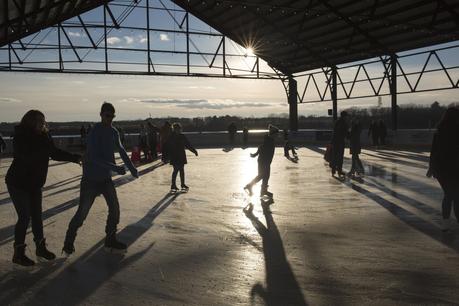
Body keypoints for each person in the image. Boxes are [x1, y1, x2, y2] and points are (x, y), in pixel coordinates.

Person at [5, 110, 81, 266]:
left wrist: (75, 158)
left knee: (37, 217)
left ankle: (40, 248)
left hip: (34, 184)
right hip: (18, 183)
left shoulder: (44, 136)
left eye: (43, 120)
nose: (42, 123)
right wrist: (43, 147)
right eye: (39, 120)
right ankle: (18, 253)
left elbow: (54, 153)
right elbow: (25, 156)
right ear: (30, 121)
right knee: (25, 216)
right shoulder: (21, 136)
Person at [63, 102, 138, 255]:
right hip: (90, 179)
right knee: (82, 214)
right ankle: (68, 242)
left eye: (112, 116)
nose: (110, 119)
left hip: (105, 179)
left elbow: (122, 150)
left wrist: (132, 167)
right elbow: (92, 157)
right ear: (101, 114)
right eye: (107, 115)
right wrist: (115, 167)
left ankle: (110, 239)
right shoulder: (95, 131)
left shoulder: (114, 132)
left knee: (115, 209)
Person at [427, 107, 459, 232]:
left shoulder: (439, 131)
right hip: (454, 169)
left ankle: (446, 223)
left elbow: (433, 151)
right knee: (455, 196)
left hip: (441, 170)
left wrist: (431, 167)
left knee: (449, 195)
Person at [244, 124, 279, 198]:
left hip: (265, 161)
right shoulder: (269, 140)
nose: (277, 135)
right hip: (264, 161)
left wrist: (255, 154)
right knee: (262, 175)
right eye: (277, 134)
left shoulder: (270, 139)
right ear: (273, 134)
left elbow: (261, 146)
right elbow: (261, 147)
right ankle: (250, 186)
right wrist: (255, 154)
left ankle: (263, 191)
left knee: (266, 176)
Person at [168, 123, 198, 192]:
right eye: (177, 129)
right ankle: (173, 185)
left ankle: (182, 184)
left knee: (181, 170)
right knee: (175, 170)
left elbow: (188, 145)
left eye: (179, 129)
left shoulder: (182, 136)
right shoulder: (171, 137)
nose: (179, 130)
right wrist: (167, 156)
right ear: (174, 129)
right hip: (174, 156)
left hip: (181, 155)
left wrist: (194, 151)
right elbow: (167, 147)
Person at [330, 111, 349, 177]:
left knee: (335, 156)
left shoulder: (337, 122)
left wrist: (332, 142)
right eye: (346, 116)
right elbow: (346, 134)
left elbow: (334, 132)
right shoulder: (344, 123)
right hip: (340, 142)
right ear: (344, 116)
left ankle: (333, 170)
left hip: (335, 142)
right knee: (340, 157)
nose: (347, 117)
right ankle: (339, 171)